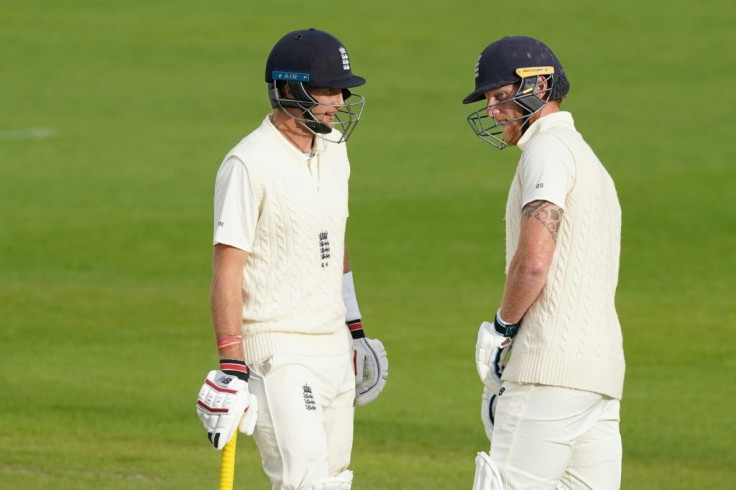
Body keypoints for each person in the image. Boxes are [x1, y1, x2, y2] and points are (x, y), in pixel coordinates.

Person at [195, 28, 389, 490]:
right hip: (278, 352)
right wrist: (231, 365)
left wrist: (355, 328)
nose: (339, 100)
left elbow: (332, 236)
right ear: (288, 89)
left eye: (342, 89)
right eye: (327, 89)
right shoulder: (248, 164)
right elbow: (227, 268)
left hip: (333, 345)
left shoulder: (335, 149)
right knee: (304, 481)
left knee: (334, 480)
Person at [463, 36, 626, 489]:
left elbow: (535, 260)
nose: (494, 111)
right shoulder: (590, 160)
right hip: (600, 376)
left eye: (499, 97)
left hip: (546, 371)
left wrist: (502, 327)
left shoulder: (547, 150)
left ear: (539, 87)